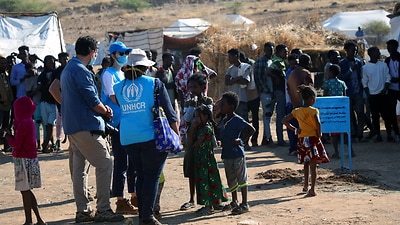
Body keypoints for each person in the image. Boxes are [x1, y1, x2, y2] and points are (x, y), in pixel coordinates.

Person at [60, 36, 124, 223]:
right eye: (95, 51)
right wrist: (106, 111)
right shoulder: (81, 71)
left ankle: (83, 211)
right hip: (86, 126)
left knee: (80, 171)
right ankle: (103, 209)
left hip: (73, 126)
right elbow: (92, 101)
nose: (96, 54)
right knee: (105, 164)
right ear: (91, 51)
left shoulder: (68, 69)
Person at [114, 48, 179, 225]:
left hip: (127, 138)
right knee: (151, 177)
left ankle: (144, 216)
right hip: (151, 137)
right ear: (145, 68)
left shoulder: (117, 87)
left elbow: (122, 105)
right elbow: (170, 114)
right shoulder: (155, 83)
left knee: (141, 176)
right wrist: (177, 135)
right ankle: (147, 218)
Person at [100, 41, 138, 215]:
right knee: (121, 161)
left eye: (126, 53)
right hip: (117, 123)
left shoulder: (121, 74)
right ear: (114, 55)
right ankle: (120, 200)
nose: (124, 56)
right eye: (121, 53)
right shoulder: (108, 74)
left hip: (127, 121)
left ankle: (133, 195)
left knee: (132, 161)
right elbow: (114, 98)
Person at [282, 85, 330, 197]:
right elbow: (317, 123)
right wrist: (320, 133)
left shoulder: (297, 111)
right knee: (314, 166)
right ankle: (312, 189)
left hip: (302, 139)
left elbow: (284, 120)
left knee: (306, 163)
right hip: (313, 139)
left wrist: (295, 130)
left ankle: (305, 185)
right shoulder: (314, 111)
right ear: (312, 99)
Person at [5, 96, 46, 225]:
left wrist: (7, 136)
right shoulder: (29, 121)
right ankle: (38, 220)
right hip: (29, 158)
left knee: (25, 191)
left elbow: (16, 144)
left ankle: (29, 220)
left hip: (23, 160)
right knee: (27, 191)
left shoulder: (23, 123)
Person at [187, 104, 228, 216]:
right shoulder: (198, 128)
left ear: (205, 116)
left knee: (207, 181)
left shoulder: (207, 129)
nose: (196, 119)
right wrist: (192, 128)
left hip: (206, 161)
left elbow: (196, 144)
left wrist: (193, 131)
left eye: (198, 117)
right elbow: (190, 143)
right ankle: (213, 203)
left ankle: (209, 206)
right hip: (200, 160)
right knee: (205, 181)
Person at [180, 73, 213, 211]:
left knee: (206, 169)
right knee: (191, 168)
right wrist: (193, 105)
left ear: (203, 87)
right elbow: (187, 118)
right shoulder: (188, 102)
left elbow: (208, 117)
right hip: (191, 138)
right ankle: (191, 199)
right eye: (190, 87)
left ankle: (208, 198)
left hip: (204, 140)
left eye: (195, 87)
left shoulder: (208, 101)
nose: (192, 90)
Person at [219, 91, 255, 215]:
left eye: (223, 104)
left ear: (231, 107)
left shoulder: (237, 119)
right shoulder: (223, 120)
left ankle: (245, 203)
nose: (221, 106)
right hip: (227, 154)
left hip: (237, 154)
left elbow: (251, 129)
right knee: (231, 179)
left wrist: (241, 140)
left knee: (241, 179)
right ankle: (234, 201)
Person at [362, 47, 392, 142]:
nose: (379, 54)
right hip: (373, 95)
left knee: (386, 116)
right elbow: (364, 82)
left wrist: (385, 89)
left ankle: (389, 135)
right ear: (371, 54)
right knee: (375, 116)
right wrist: (369, 95)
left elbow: (388, 77)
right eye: (377, 52)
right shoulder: (365, 68)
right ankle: (378, 135)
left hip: (383, 95)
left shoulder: (383, 65)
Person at [286, 54, 314, 155]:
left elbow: (288, 88)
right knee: (305, 129)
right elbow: (310, 89)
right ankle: (303, 149)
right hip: (304, 106)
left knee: (294, 128)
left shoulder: (292, 73)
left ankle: (293, 148)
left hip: (292, 104)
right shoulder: (306, 73)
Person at [338, 40, 365, 142]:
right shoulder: (342, 64)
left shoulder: (359, 62)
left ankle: (360, 134)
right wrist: (350, 71)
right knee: (349, 115)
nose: (354, 52)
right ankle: (352, 135)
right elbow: (341, 78)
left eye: (355, 50)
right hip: (348, 92)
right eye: (352, 50)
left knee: (360, 113)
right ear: (346, 50)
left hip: (358, 91)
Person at [322, 64, 347, 158]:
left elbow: (325, 96)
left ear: (331, 73)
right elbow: (345, 97)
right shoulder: (342, 83)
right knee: (344, 131)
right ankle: (351, 150)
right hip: (341, 110)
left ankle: (336, 152)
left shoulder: (327, 83)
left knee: (334, 133)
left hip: (331, 110)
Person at [253, 42, 275, 146]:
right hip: (265, 92)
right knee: (267, 116)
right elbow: (257, 77)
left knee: (269, 116)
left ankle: (265, 139)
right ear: (264, 50)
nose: (270, 52)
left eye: (272, 50)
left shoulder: (272, 61)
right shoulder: (261, 61)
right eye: (268, 50)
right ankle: (269, 138)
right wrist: (264, 89)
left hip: (271, 91)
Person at [268, 44, 289, 146]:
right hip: (279, 91)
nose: (286, 53)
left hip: (282, 90)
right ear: (279, 52)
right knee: (280, 115)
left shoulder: (281, 61)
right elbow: (268, 71)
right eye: (285, 52)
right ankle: (280, 139)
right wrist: (276, 78)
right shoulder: (276, 61)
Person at [37, 55, 57, 153]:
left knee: (50, 124)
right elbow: (40, 87)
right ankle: (50, 144)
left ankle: (45, 144)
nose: (51, 64)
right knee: (46, 125)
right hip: (44, 102)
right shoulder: (42, 75)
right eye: (49, 62)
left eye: (52, 62)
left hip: (54, 103)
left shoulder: (56, 74)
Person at [225, 48, 251, 121]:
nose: (228, 59)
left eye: (230, 57)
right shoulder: (229, 69)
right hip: (232, 101)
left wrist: (232, 80)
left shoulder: (245, 67)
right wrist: (237, 79)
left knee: (243, 121)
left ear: (235, 56)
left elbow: (245, 81)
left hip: (242, 99)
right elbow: (226, 82)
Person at [50, 52, 69, 152]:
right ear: (59, 60)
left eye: (67, 59)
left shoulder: (70, 70)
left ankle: (71, 142)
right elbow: (53, 87)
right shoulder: (56, 72)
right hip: (59, 100)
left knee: (69, 122)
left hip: (70, 100)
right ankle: (58, 141)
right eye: (63, 59)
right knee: (58, 123)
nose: (65, 61)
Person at [24, 63, 43, 151]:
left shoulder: (40, 76)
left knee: (46, 124)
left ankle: (47, 143)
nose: (30, 72)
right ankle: (37, 143)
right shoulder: (28, 80)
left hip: (43, 102)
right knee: (36, 124)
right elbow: (28, 93)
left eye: (31, 70)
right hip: (35, 103)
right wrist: (37, 89)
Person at [385, 39, 400, 142]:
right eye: (388, 48)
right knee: (391, 112)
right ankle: (396, 133)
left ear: (396, 47)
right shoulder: (387, 60)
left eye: (391, 47)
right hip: (391, 89)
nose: (390, 50)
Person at [0, 56, 14, 154]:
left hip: (7, 105)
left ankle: (7, 146)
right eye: (2, 63)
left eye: (5, 63)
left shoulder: (5, 74)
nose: (4, 65)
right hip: (0, 105)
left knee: (6, 127)